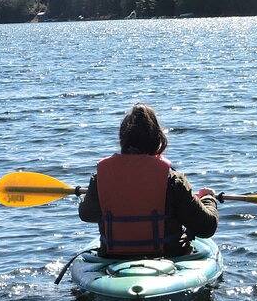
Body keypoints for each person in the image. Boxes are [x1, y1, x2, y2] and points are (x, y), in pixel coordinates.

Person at [78, 104, 217, 257]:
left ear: (122, 140)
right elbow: (206, 227)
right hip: (168, 255)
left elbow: (87, 214)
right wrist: (208, 198)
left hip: (114, 257)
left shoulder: (100, 179)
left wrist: (91, 194)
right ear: (157, 139)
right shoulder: (172, 180)